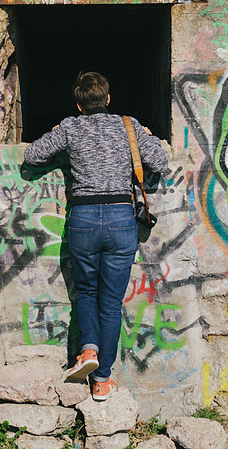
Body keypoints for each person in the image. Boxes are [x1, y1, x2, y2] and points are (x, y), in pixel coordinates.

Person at [23, 71, 169, 401]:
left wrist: (56, 133)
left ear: (79, 104)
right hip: (120, 219)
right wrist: (148, 136)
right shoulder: (128, 126)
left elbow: (32, 155)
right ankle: (102, 379)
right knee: (111, 302)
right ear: (108, 99)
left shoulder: (71, 127)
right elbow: (160, 161)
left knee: (86, 292)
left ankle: (88, 350)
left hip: (83, 218)